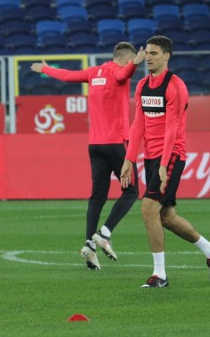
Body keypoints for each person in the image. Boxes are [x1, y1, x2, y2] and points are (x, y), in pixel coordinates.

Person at [119, 36, 210, 288]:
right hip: (152, 157)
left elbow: (172, 128)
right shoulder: (142, 85)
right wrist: (129, 159)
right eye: (148, 53)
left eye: (154, 53)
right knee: (166, 216)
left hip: (172, 156)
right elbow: (138, 125)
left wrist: (165, 165)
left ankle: (160, 275)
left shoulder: (175, 86)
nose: (149, 58)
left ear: (167, 56)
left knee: (147, 210)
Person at [31, 42, 146, 271]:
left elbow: (67, 76)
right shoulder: (119, 71)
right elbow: (124, 73)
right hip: (116, 144)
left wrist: (45, 69)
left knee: (97, 196)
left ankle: (89, 246)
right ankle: (104, 233)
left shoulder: (94, 73)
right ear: (125, 58)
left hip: (95, 145)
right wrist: (135, 64)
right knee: (132, 191)